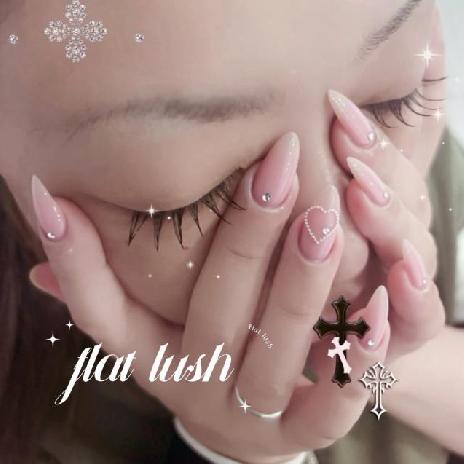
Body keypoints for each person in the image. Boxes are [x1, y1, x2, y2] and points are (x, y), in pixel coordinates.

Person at [0, 0, 463, 463]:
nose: (342, 247)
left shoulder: (429, 174)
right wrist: (230, 452)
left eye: (392, 101)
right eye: (193, 200)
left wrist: (379, 348)